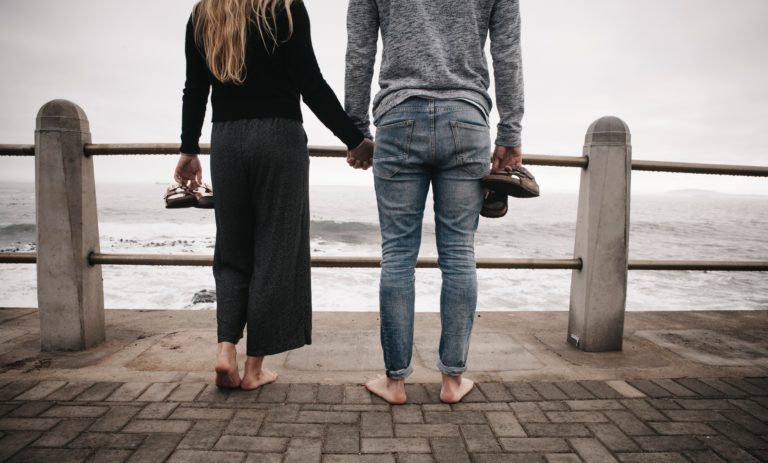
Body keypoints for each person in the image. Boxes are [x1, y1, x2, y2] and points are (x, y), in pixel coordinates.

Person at [174, 0, 374, 390]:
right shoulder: (283, 7)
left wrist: (188, 150)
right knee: (276, 251)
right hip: (279, 138)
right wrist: (354, 140)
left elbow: (194, 88)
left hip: (227, 141)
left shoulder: (205, 12)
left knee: (231, 252)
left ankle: (225, 350)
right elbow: (309, 81)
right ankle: (253, 370)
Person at [345, 0, 524, 403]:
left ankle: (395, 382)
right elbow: (507, 52)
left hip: (397, 116)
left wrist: (355, 130)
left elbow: (360, 50)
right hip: (467, 117)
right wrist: (510, 133)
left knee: (397, 255)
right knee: (459, 254)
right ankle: (452, 380)